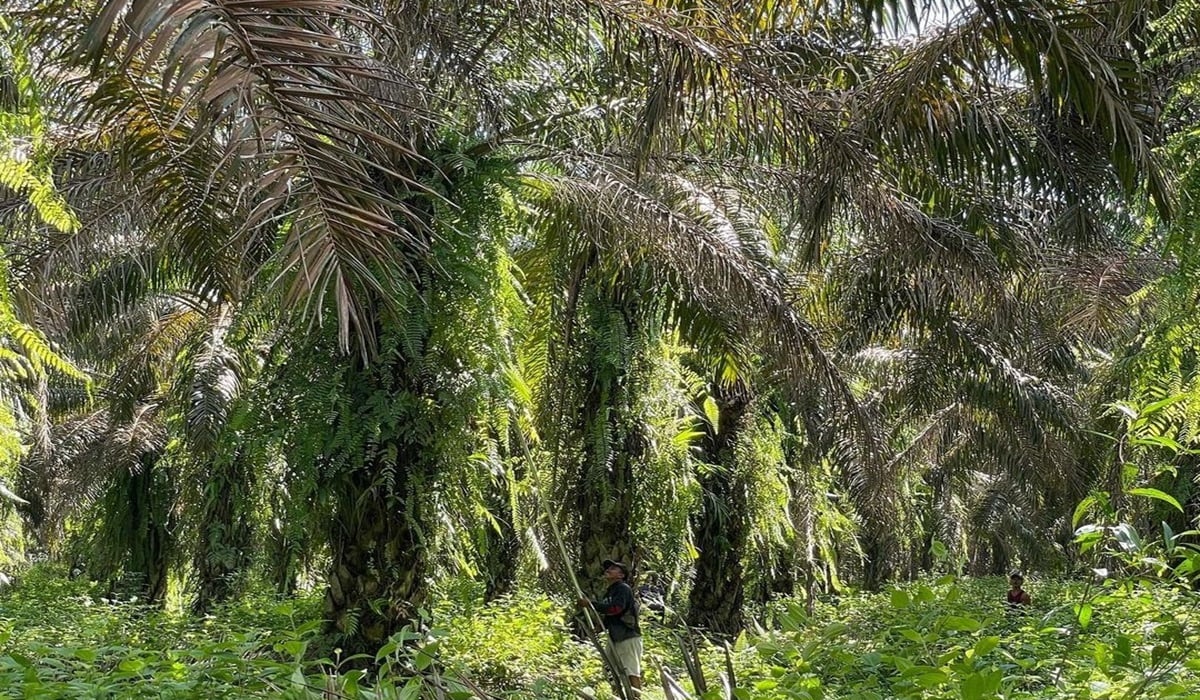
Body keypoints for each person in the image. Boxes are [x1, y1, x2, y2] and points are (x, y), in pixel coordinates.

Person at [578, 559, 643, 694]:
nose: (608, 570)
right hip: (615, 637)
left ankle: (636, 697)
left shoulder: (623, 589)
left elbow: (616, 609)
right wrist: (599, 628)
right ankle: (618, 696)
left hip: (627, 636)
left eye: (613, 569)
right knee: (610, 670)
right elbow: (611, 615)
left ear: (621, 575)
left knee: (631, 671)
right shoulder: (610, 592)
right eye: (608, 568)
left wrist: (591, 604)